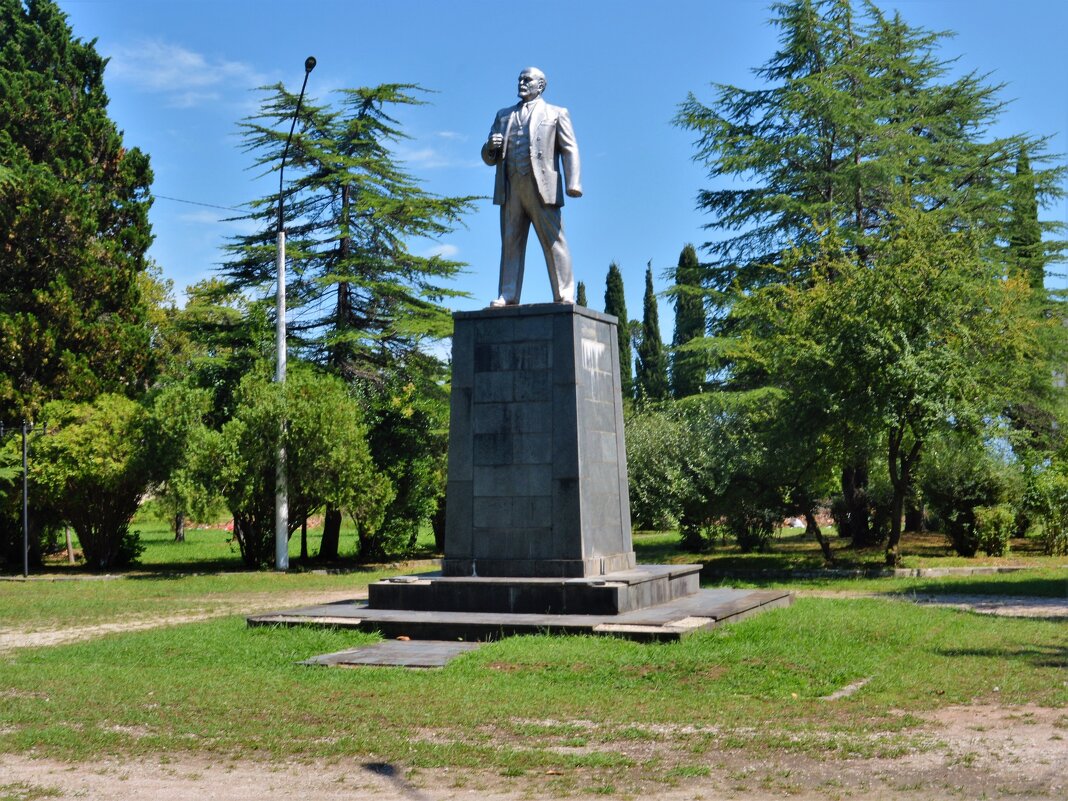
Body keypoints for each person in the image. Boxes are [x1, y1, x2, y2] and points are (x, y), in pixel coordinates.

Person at [481, 67, 582, 306]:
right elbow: (488, 158)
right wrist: (490, 146)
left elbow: (570, 148)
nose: (521, 82)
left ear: (541, 85)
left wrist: (573, 183)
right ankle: (508, 294)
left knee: (554, 240)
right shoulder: (503, 115)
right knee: (510, 242)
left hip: (543, 187)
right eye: (519, 79)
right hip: (511, 187)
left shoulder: (556, 113)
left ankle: (564, 293)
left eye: (527, 79)